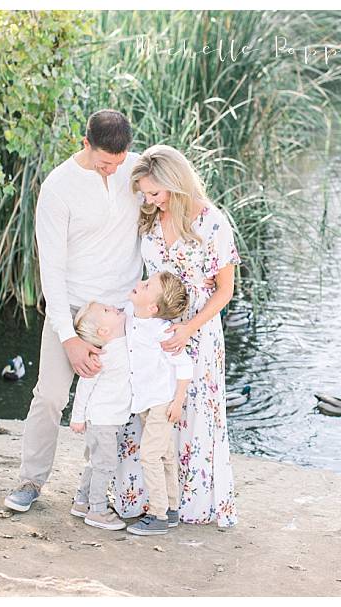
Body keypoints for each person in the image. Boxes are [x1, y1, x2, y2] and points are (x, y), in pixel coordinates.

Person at [4, 109, 143, 512]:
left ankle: (96, 488)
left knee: (116, 403)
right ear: (85, 144)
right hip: (73, 308)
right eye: (104, 163)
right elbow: (52, 268)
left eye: (117, 163)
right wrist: (68, 337)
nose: (110, 171)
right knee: (49, 395)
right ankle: (31, 480)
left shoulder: (133, 170)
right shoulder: (59, 187)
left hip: (120, 313)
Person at [114, 144, 240, 527]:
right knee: (147, 406)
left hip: (196, 330)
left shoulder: (212, 222)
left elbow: (225, 290)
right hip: (151, 329)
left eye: (155, 192)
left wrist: (188, 327)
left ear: (175, 183)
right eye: (145, 194)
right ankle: (144, 498)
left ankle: (190, 503)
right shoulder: (149, 219)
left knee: (191, 413)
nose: (150, 200)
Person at [122, 271, 193, 536]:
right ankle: (172, 508)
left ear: (153, 307)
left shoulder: (162, 331)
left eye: (147, 284)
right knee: (164, 455)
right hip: (144, 400)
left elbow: (185, 366)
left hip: (162, 403)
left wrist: (178, 402)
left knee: (150, 455)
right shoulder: (130, 314)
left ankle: (157, 515)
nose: (139, 283)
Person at [68, 302, 131, 530]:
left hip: (109, 418)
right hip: (103, 419)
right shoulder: (102, 355)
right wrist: (77, 418)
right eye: (107, 311)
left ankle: (81, 501)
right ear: (103, 332)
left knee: (95, 462)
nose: (113, 308)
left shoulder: (122, 342)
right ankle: (97, 510)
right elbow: (84, 386)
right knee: (105, 464)